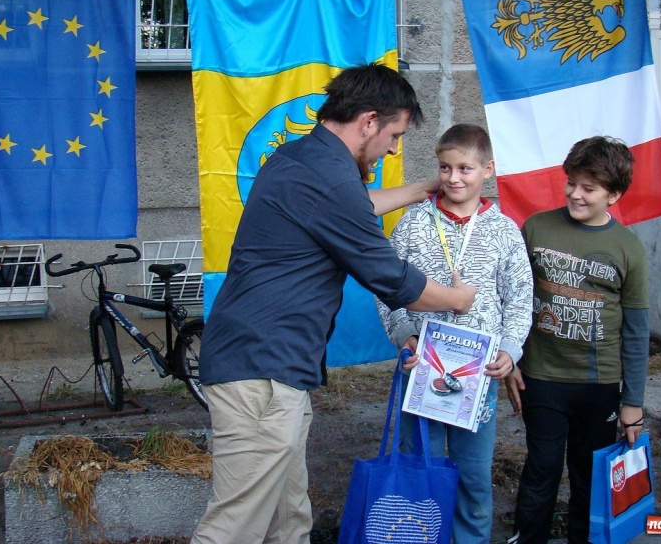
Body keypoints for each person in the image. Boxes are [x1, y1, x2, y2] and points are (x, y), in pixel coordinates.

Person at [191, 63, 478, 544]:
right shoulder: (325, 178)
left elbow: (353, 206)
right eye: (394, 134)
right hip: (260, 375)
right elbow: (392, 279)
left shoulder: (303, 159)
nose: (394, 147)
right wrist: (457, 298)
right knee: (234, 527)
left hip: (274, 370)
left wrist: (419, 189)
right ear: (368, 121)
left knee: (288, 521)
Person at [377, 124, 533, 543]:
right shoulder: (412, 224)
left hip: (478, 377)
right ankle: (419, 535)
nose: (454, 178)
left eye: (465, 168)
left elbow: (519, 298)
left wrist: (510, 349)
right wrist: (404, 333)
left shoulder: (504, 232)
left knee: (473, 475)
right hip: (421, 368)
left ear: (488, 170)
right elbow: (387, 288)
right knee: (419, 465)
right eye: (445, 168)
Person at [505, 136, 650, 544]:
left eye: (589, 188)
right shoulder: (536, 227)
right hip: (541, 377)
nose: (575, 193)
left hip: (599, 386)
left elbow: (636, 332)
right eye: (572, 182)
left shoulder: (628, 247)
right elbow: (512, 299)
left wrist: (632, 403)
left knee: (590, 477)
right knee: (541, 468)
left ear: (614, 194)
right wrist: (511, 360)